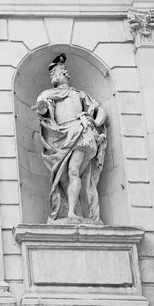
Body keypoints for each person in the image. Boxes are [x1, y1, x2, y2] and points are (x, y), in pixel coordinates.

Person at [33, 54, 107, 223]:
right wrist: (43, 110)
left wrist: (95, 121)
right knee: (63, 177)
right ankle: (72, 210)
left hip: (80, 133)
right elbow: (45, 114)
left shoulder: (78, 94)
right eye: (51, 75)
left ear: (65, 74)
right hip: (60, 138)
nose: (53, 77)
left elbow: (100, 109)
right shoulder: (48, 95)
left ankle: (72, 213)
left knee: (73, 170)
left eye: (56, 73)